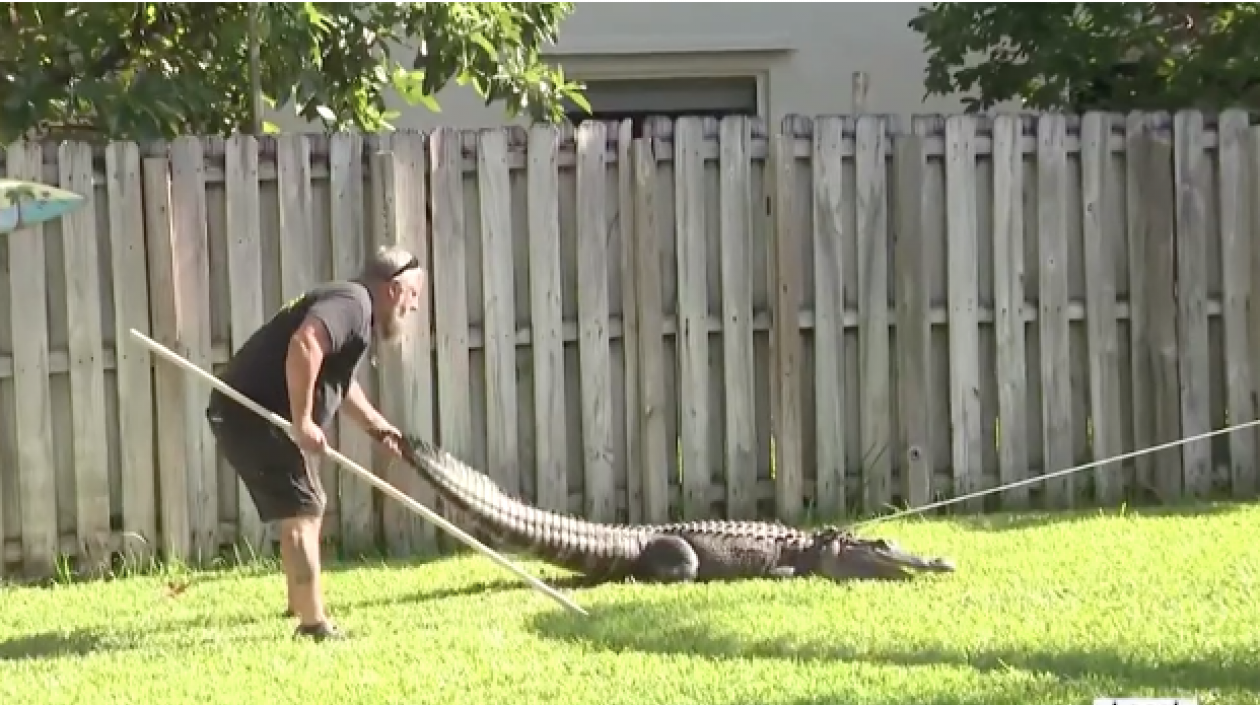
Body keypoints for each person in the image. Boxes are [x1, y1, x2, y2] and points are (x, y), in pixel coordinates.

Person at [205, 245, 425, 641]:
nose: (413, 308)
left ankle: (300, 604)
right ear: (393, 289)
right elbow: (305, 344)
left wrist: (376, 426)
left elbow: (338, 379)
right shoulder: (354, 304)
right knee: (305, 508)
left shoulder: (352, 309)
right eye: (413, 297)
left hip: (243, 412)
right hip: (251, 413)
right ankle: (313, 626)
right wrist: (303, 419)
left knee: (306, 503)